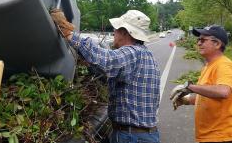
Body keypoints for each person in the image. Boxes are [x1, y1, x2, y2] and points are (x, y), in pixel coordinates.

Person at [51, 9, 161, 143]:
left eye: (116, 29)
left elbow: (107, 60)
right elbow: (107, 72)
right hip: (144, 135)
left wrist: (67, 32)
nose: (113, 32)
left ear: (125, 32)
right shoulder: (147, 56)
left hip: (132, 137)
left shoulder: (132, 54)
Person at [170, 25, 232, 143]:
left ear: (217, 44)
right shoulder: (209, 66)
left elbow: (223, 91)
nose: (199, 43)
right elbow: (206, 96)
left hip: (222, 137)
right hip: (211, 136)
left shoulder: (224, 65)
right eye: (198, 40)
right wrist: (185, 100)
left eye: (203, 40)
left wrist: (189, 86)